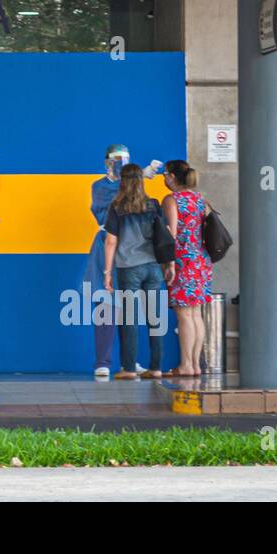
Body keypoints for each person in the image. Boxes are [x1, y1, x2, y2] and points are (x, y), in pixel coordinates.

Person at [83, 145, 164, 379]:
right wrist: (138, 180)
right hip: (106, 249)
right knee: (106, 305)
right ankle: (103, 362)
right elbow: (111, 208)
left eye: (125, 160)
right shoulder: (99, 187)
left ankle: (129, 362)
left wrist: (138, 181)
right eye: (117, 159)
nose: (120, 163)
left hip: (132, 254)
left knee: (130, 309)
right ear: (107, 162)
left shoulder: (135, 192)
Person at [102, 163, 168, 380]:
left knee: (129, 319)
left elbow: (111, 241)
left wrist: (107, 272)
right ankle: (156, 368)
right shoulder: (153, 205)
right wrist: (170, 265)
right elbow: (164, 236)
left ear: (122, 181)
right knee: (154, 318)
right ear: (141, 181)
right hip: (153, 267)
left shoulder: (117, 207)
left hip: (129, 268)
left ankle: (129, 368)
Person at [161, 159, 213, 378]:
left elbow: (171, 234)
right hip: (201, 261)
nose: (163, 178)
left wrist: (169, 264)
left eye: (165, 174)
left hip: (183, 261)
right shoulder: (200, 199)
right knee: (195, 314)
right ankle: (195, 365)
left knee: (184, 315)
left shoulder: (172, 200)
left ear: (172, 176)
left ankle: (185, 365)